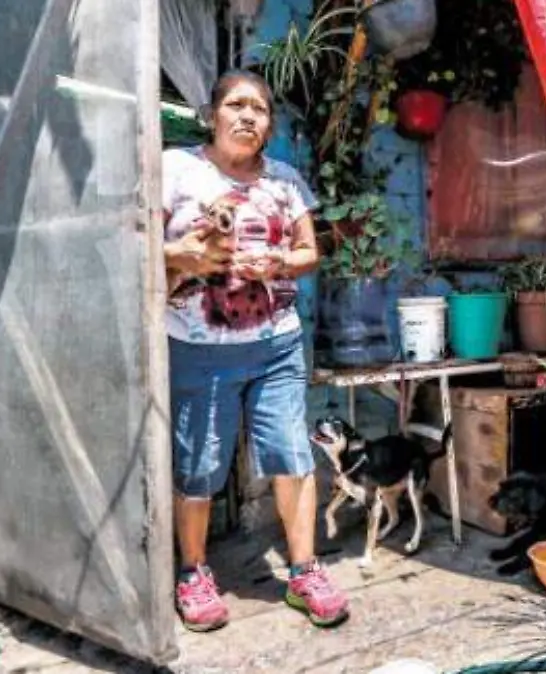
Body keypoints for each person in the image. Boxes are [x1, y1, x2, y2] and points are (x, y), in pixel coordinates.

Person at [161, 70, 348, 631]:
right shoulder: (174, 168)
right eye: (235, 105)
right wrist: (179, 256)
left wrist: (280, 262)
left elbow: (309, 252)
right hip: (198, 346)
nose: (247, 116)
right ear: (212, 115)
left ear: (269, 125)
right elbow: (133, 241)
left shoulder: (285, 180)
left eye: (259, 109)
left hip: (276, 346)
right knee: (199, 463)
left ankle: (305, 571)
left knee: (291, 453)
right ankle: (193, 573)